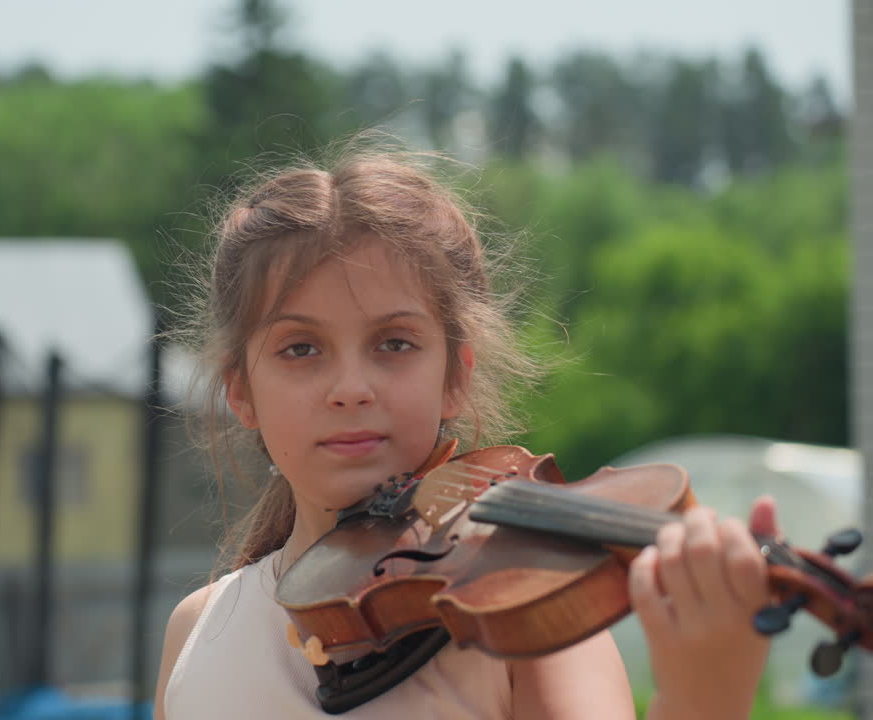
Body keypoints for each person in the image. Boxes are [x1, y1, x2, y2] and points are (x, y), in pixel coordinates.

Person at [155, 141, 780, 719]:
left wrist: (705, 696)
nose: (351, 388)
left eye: (394, 343)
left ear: (455, 374)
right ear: (240, 391)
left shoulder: (524, 624)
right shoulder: (197, 630)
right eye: (300, 349)